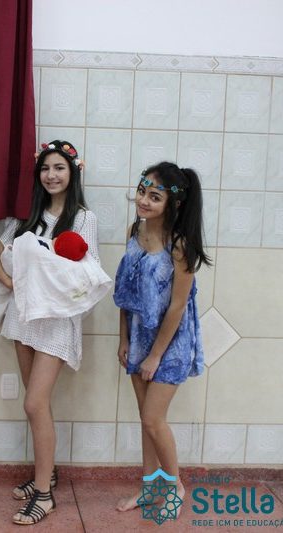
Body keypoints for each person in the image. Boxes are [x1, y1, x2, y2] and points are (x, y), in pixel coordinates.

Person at [0, 140, 101, 525]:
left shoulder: (83, 218)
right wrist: (14, 284)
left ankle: (45, 496)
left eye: (59, 168)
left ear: (73, 172)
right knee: (37, 404)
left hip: (56, 321)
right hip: (24, 318)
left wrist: (51, 279)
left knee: (34, 404)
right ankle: (46, 474)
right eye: (46, 168)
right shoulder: (27, 216)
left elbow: (88, 272)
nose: (51, 175)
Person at [113, 162, 210, 518]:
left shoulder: (180, 246)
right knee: (146, 420)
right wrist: (124, 338)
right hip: (139, 336)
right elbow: (125, 291)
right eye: (143, 191)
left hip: (171, 343)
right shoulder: (134, 231)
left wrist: (155, 355)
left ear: (173, 204)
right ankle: (149, 487)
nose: (144, 200)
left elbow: (177, 307)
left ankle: (176, 487)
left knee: (154, 419)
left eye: (155, 197)